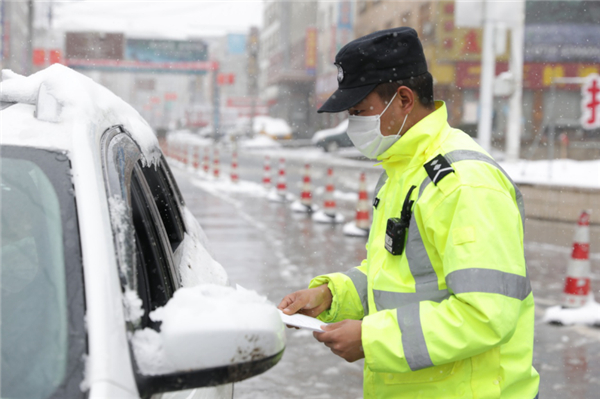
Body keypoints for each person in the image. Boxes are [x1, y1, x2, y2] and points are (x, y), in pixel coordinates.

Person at [278, 27, 540, 398]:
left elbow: (485, 314)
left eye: (360, 111)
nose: (353, 125)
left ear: (402, 99)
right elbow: (398, 281)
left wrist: (372, 338)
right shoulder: (404, 172)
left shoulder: (463, 184)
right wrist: (331, 296)